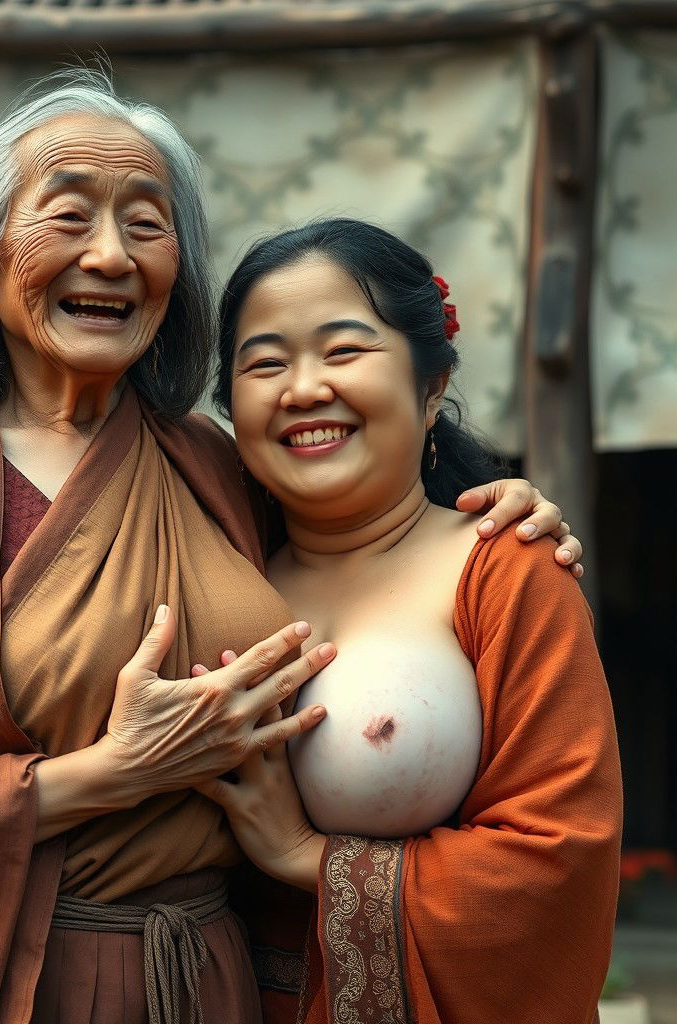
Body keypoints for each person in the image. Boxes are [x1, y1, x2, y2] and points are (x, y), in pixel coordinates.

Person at [0, 73, 585, 1024]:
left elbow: (365, 533)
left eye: (147, 225)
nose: (110, 256)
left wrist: (494, 502)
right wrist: (115, 773)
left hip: (215, 978)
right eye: (68, 217)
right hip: (24, 987)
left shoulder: (215, 471)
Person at [198, 218, 622, 1024]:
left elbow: (559, 861)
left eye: (345, 350)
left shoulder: (504, 571)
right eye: (264, 363)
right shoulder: (210, 561)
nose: (302, 388)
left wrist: (306, 858)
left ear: (432, 386)